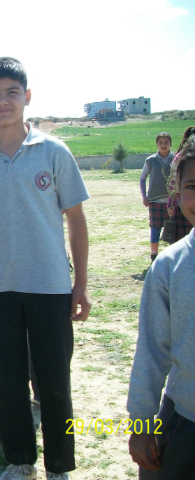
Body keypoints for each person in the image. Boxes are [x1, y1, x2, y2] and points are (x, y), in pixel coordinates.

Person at [0, 57, 90, 480]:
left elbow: (77, 220)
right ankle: (19, 461)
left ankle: (60, 466)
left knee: (53, 381)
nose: (3, 101)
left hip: (50, 286)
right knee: (7, 383)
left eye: (12, 92)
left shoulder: (53, 151)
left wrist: (80, 285)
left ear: (27, 97)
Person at [127, 137, 195, 479]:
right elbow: (151, 353)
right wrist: (140, 425)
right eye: (192, 185)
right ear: (177, 192)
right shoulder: (170, 266)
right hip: (185, 420)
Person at [140, 133, 174, 261]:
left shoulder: (176, 159)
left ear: (170, 144)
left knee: (172, 231)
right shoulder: (151, 160)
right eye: (161, 142)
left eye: (166, 142)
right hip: (155, 201)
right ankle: (154, 256)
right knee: (155, 230)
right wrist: (144, 196)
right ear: (157, 144)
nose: (163, 145)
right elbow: (142, 179)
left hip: (173, 203)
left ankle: (172, 257)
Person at [167, 126, 195, 242]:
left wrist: (171, 204)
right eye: (192, 187)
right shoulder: (182, 159)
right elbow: (173, 183)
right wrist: (171, 204)